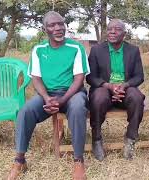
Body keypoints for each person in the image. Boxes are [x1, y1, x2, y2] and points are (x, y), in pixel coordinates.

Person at [7, 11, 90, 180]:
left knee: (78, 107)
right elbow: (36, 78)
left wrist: (62, 101)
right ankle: (20, 160)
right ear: (45, 29)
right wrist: (46, 98)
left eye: (61, 24)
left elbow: (79, 79)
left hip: (72, 94)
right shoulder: (38, 50)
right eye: (52, 25)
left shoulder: (76, 48)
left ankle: (78, 160)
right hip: (48, 95)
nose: (58, 28)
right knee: (26, 111)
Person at [87, 19, 145, 161]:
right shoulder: (96, 50)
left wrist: (124, 85)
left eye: (117, 29)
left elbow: (139, 76)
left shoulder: (133, 50)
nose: (112, 32)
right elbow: (90, 77)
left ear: (124, 33)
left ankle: (131, 138)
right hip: (104, 89)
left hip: (125, 89)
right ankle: (97, 139)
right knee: (99, 97)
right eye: (110, 28)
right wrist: (109, 86)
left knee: (136, 97)